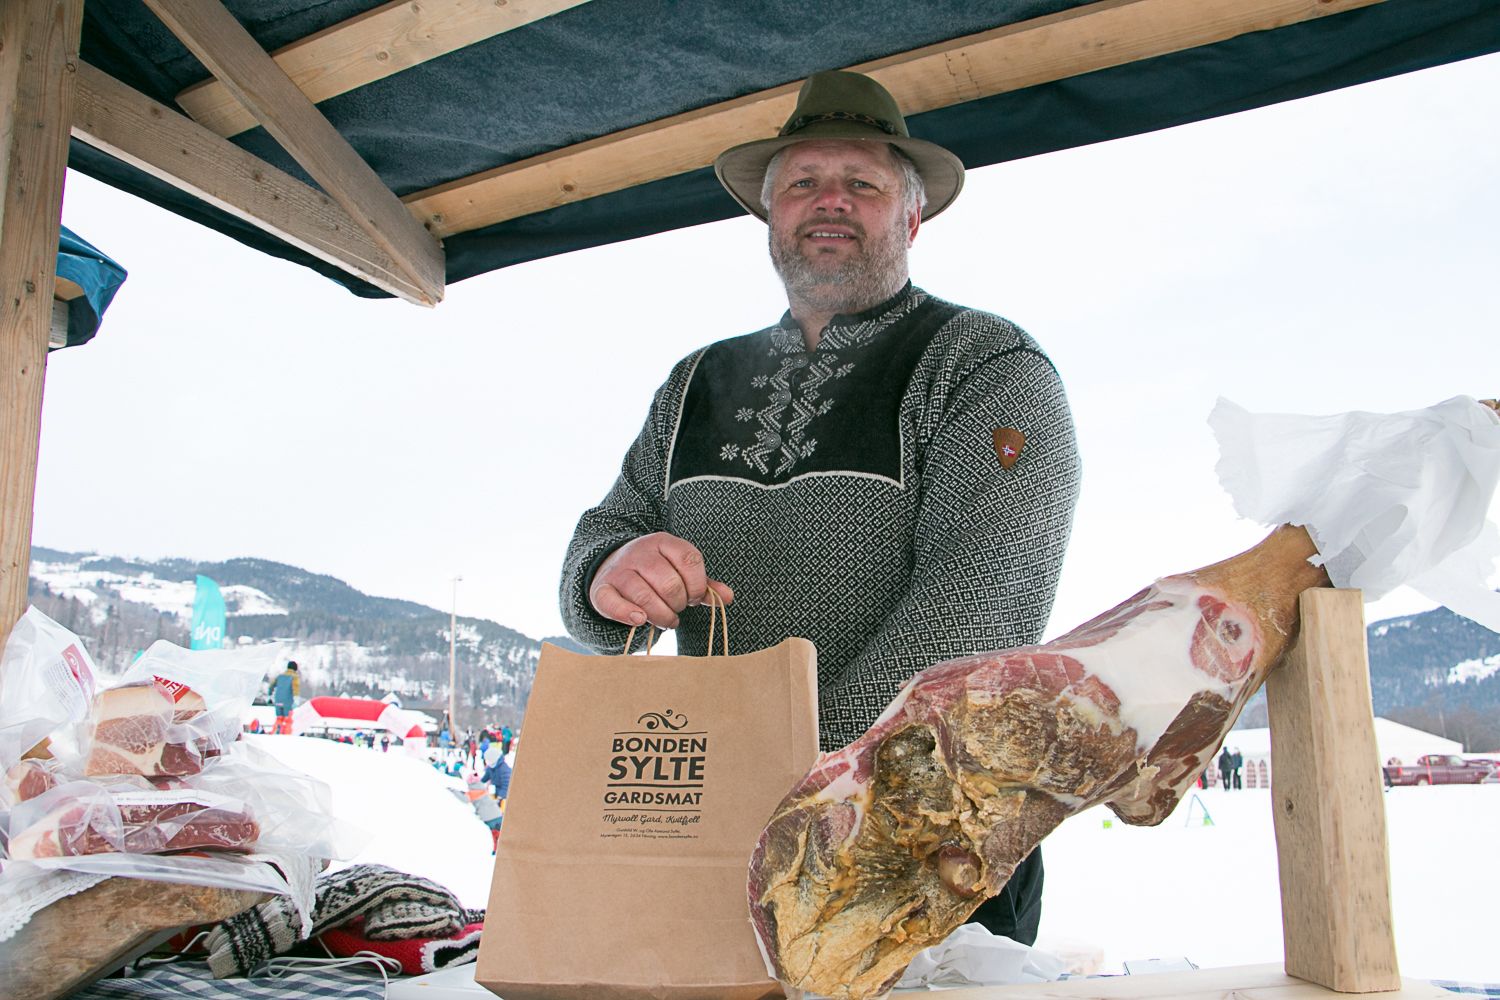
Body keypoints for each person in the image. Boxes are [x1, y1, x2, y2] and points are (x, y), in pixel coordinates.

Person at [559, 70, 1080, 947]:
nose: (828, 200)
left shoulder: (984, 363)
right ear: (771, 215)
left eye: (861, 183)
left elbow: (977, 608)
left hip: (929, 843)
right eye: (802, 181)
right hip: (719, 833)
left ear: (911, 218)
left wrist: (786, 778)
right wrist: (607, 575)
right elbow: (608, 532)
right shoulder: (695, 382)